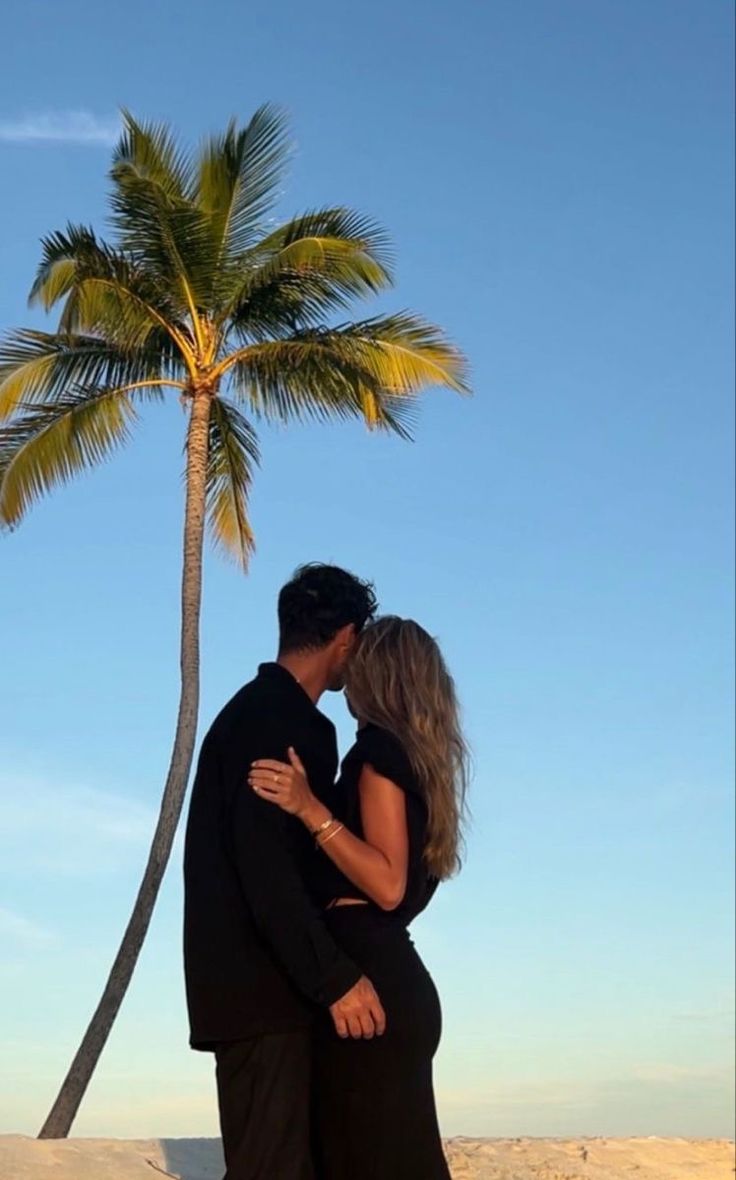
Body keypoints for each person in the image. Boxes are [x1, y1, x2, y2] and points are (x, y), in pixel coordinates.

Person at [183, 564, 386, 1180]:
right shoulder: (284, 722)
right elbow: (267, 867)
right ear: (346, 638)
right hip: (265, 996)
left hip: (250, 993)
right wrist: (334, 978)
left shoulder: (249, 712)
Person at [249, 616, 469, 1180]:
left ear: (381, 675)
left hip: (370, 986)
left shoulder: (377, 755)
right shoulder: (421, 765)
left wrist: (309, 808)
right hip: (393, 980)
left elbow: (389, 883)